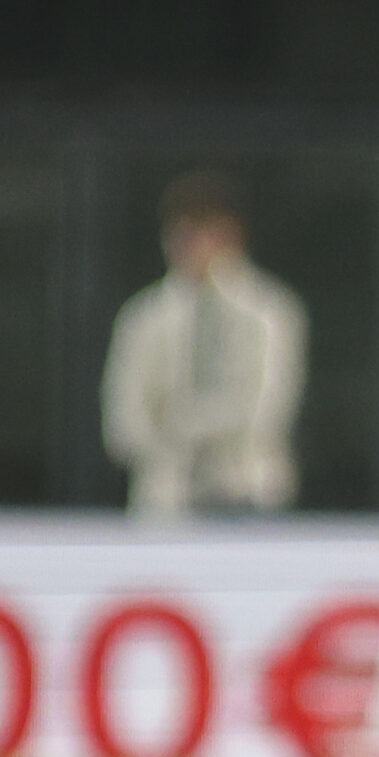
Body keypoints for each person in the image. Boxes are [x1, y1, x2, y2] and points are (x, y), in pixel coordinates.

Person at [102, 170, 307, 519]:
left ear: (231, 235)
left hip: (252, 496)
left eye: (202, 232)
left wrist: (182, 423)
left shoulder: (269, 313)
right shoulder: (144, 318)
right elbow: (123, 423)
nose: (189, 246)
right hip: (165, 502)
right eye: (180, 233)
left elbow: (265, 412)